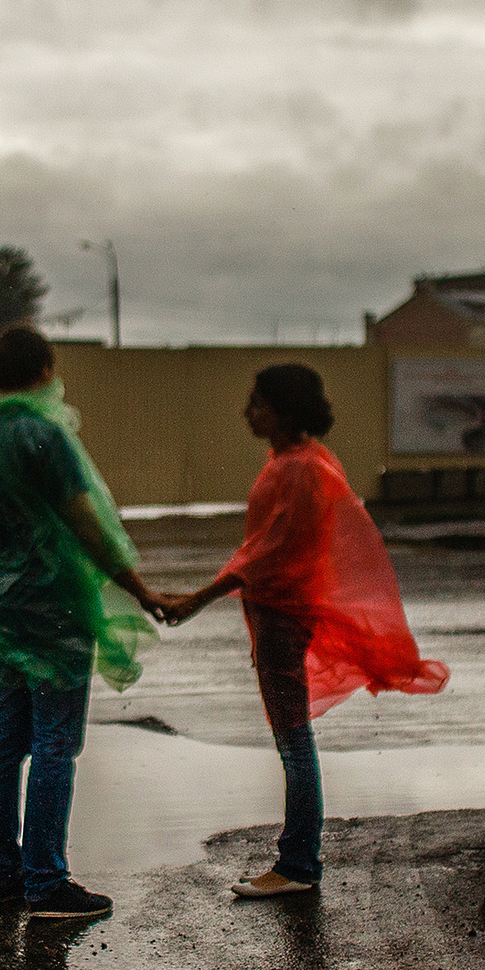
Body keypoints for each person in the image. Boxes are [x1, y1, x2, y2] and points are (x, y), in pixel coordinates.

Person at [158, 364, 447, 898]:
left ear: (283, 412)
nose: (249, 413)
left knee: (293, 741)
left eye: (258, 404)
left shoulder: (298, 469)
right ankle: (297, 861)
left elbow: (270, 553)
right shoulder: (299, 462)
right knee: (293, 738)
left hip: (285, 615)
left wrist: (198, 598)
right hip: (282, 614)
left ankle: (297, 866)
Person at [0, 326, 172, 923]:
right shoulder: (45, 439)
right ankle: (47, 881)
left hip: (4, 608)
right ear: (48, 368)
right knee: (55, 742)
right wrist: (138, 589)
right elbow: (86, 522)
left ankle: (0, 873)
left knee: (7, 741)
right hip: (55, 608)